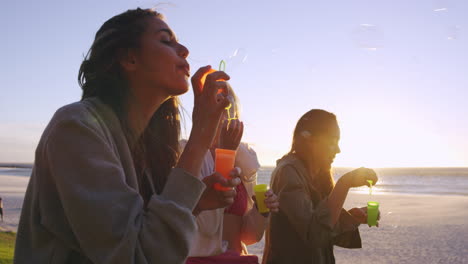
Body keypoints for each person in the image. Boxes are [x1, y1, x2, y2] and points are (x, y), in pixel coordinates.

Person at [14, 8, 241, 264]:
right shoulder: (76, 127)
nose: (184, 49)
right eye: (166, 41)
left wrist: (195, 203)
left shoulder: (144, 144)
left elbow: (144, 232)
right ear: (129, 59)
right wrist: (200, 137)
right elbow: (136, 256)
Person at [262, 109, 379, 264]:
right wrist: (345, 183)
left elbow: (325, 231)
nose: (338, 150)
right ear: (310, 139)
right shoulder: (288, 172)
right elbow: (314, 235)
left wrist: (351, 218)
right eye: (333, 141)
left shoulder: (317, 174)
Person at [185, 85, 279, 264]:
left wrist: (261, 209)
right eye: (219, 102)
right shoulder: (188, 155)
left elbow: (248, 236)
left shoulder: (244, 162)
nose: (225, 111)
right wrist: (225, 154)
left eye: (230, 106)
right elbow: (208, 227)